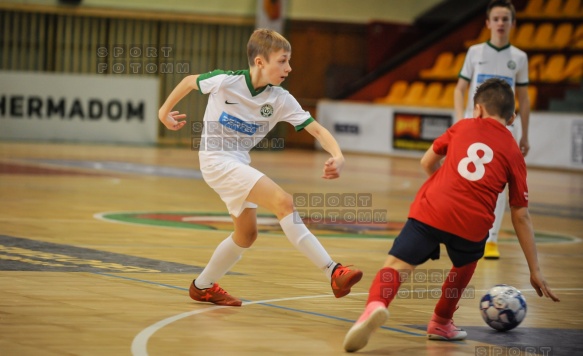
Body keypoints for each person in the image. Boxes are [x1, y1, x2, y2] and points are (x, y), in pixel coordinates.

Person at [343, 78, 559, 353]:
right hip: (473, 224)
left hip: (432, 208)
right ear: (512, 117)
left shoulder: (462, 126)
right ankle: (441, 322)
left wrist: (447, 185)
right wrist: (534, 270)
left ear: (477, 109)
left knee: (397, 265)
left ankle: (375, 306)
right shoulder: (514, 152)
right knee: (465, 265)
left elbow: (426, 162)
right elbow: (520, 214)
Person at [158, 28, 362, 307]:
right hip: (216, 159)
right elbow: (190, 81)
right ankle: (333, 271)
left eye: (289, 61)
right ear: (260, 62)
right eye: (283, 60)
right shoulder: (225, 81)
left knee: (246, 234)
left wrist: (337, 155)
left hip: (238, 161)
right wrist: (163, 111)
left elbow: (316, 129)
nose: (289, 68)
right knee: (284, 203)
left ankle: (202, 286)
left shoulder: (280, 99)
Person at [454, 0, 531, 259]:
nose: (500, 23)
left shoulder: (519, 58)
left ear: (512, 23)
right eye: (496, 19)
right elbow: (460, 89)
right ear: (487, 23)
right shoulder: (474, 52)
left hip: (505, 128)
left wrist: (525, 134)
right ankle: (462, 230)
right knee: (465, 178)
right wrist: (459, 120)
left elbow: (525, 97)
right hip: (474, 125)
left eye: (505, 19)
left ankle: (492, 238)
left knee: (498, 184)